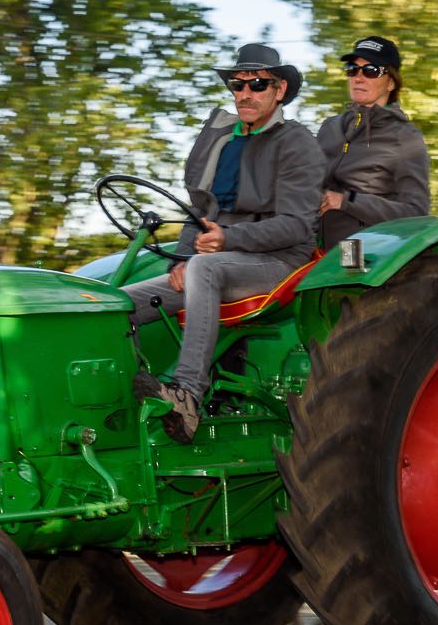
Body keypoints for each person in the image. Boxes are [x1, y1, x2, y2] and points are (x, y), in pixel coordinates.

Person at [124, 42, 324, 442]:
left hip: (280, 262)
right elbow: (197, 212)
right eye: (238, 84)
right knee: (116, 306)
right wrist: (180, 259)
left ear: (280, 90)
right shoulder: (222, 141)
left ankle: (187, 395)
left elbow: (296, 226)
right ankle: (121, 410)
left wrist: (227, 238)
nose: (246, 93)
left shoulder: (297, 143)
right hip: (216, 262)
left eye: (258, 84)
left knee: (204, 267)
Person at [316, 35, 431, 248]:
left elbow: (416, 213)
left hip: (366, 253)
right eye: (352, 69)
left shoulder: (405, 137)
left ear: (391, 82)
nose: (358, 78)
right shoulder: (330, 127)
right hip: (308, 246)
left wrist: (346, 201)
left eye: (371, 70)